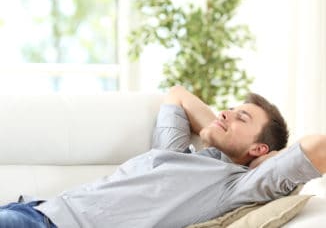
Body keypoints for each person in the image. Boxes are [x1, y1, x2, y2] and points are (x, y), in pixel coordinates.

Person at [0, 85, 324, 228]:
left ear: (260, 150)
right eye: (231, 109)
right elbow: (177, 94)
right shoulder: (174, 152)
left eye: (241, 118)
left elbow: (316, 148)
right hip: (31, 207)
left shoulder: (237, 185)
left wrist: (271, 159)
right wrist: (218, 129)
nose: (225, 113)